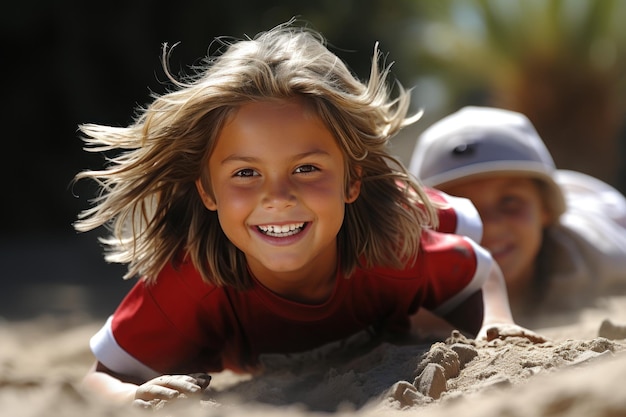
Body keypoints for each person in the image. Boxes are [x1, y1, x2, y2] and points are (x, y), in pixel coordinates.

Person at [74, 24, 541, 408]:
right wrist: (131, 397)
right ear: (208, 191)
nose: (277, 196)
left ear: (351, 180)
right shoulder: (190, 282)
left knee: (462, 228)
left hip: (406, 212)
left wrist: (496, 322)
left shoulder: (394, 246)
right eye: (245, 173)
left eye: (305, 168)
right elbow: (99, 378)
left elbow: (479, 271)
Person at [409, 106, 626, 324]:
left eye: (510, 201)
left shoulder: (596, 255)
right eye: (462, 210)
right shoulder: (405, 283)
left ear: (546, 210)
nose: (491, 226)